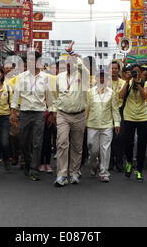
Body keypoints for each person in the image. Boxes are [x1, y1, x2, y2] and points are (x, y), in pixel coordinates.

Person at [11, 51, 54, 182]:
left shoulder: (45, 78)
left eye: (33, 60)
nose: (31, 63)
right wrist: (13, 112)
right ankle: (28, 162)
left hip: (40, 113)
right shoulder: (21, 77)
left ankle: (33, 169)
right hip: (24, 112)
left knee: (37, 142)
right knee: (23, 142)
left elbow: (49, 97)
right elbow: (16, 95)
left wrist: (52, 112)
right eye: (28, 60)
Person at [51, 46, 89, 187]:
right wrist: (54, 110)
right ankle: (61, 174)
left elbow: (83, 68)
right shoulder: (59, 78)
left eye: (72, 63)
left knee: (77, 146)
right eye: (67, 63)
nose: (69, 65)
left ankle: (74, 172)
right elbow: (55, 95)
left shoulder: (83, 76)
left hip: (79, 115)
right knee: (61, 143)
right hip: (63, 115)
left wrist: (73, 54)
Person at [86, 70, 121, 182]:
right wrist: (83, 123)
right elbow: (86, 108)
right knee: (93, 148)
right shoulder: (90, 92)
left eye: (104, 78)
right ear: (96, 79)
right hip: (92, 124)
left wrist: (117, 123)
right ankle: (93, 165)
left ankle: (104, 172)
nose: (102, 80)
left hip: (107, 125)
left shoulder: (111, 93)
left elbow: (115, 109)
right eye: (100, 77)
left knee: (105, 149)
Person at [119, 64, 147, 182]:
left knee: (142, 144)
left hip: (142, 117)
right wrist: (127, 82)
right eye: (133, 72)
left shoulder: (145, 83)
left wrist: (137, 82)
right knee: (128, 142)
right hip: (129, 116)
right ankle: (129, 162)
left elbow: (144, 96)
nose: (135, 74)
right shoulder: (126, 82)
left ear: (141, 73)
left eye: (137, 72)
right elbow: (121, 96)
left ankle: (139, 170)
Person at [109, 61, 125, 172]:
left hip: (120, 110)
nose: (114, 70)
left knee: (119, 138)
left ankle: (119, 162)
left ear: (118, 70)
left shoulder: (123, 82)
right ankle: (109, 162)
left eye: (116, 68)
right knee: (109, 138)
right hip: (107, 111)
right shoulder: (104, 82)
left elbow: (122, 96)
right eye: (112, 68)